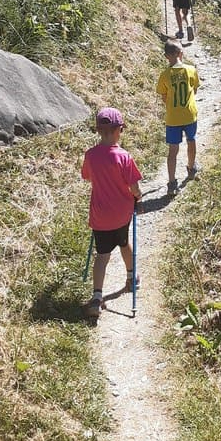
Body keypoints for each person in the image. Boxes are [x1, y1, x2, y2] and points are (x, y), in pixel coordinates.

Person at [81, 107, 143, 317]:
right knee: (124, 243)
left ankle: (97, 296)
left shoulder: (90, 155)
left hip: (100, 216)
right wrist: (138, 196)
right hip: (121, 214)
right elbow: (134, 187)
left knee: (102, 255)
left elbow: (88, 177)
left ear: (99, 130)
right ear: (119, 130)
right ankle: (131, 277)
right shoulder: (124, 157)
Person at [156, 39, 199, 197]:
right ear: (181, 53)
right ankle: (191, 167)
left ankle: (172, 183)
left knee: (173, 150)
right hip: (189, 114)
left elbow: (163, 96)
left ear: (166, 56)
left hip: (173, 118)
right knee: (191, 140)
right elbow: (194, 90)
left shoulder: (164, 75)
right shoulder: (191, 69)